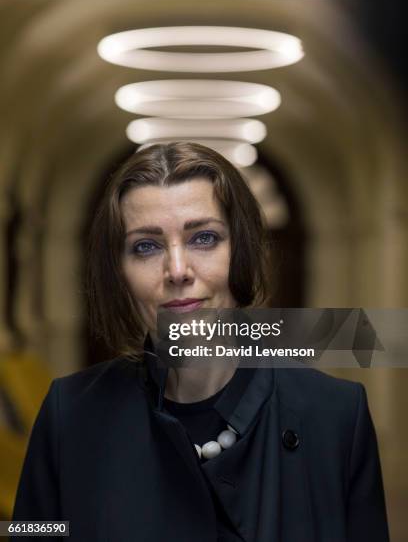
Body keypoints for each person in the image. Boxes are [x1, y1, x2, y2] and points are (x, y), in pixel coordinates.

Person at [12, 142, 389, 541]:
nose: (177, 270)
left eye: (204, 238)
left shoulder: (336, 417)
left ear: (241, 252)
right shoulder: (69, 415)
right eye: (146, 246)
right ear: (119, 273)